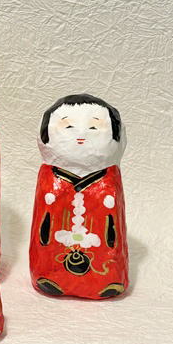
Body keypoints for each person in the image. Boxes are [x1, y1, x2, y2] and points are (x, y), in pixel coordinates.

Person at [29, 93, 129, 299]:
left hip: (99, 192)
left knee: (108, 237)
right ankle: (49, 276)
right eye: (68, 127)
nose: (81, 135)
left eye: (94, 128)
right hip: (56, 237)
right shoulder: (50, 178)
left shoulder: (108, 180)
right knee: (47, 239)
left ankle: (107, 279)